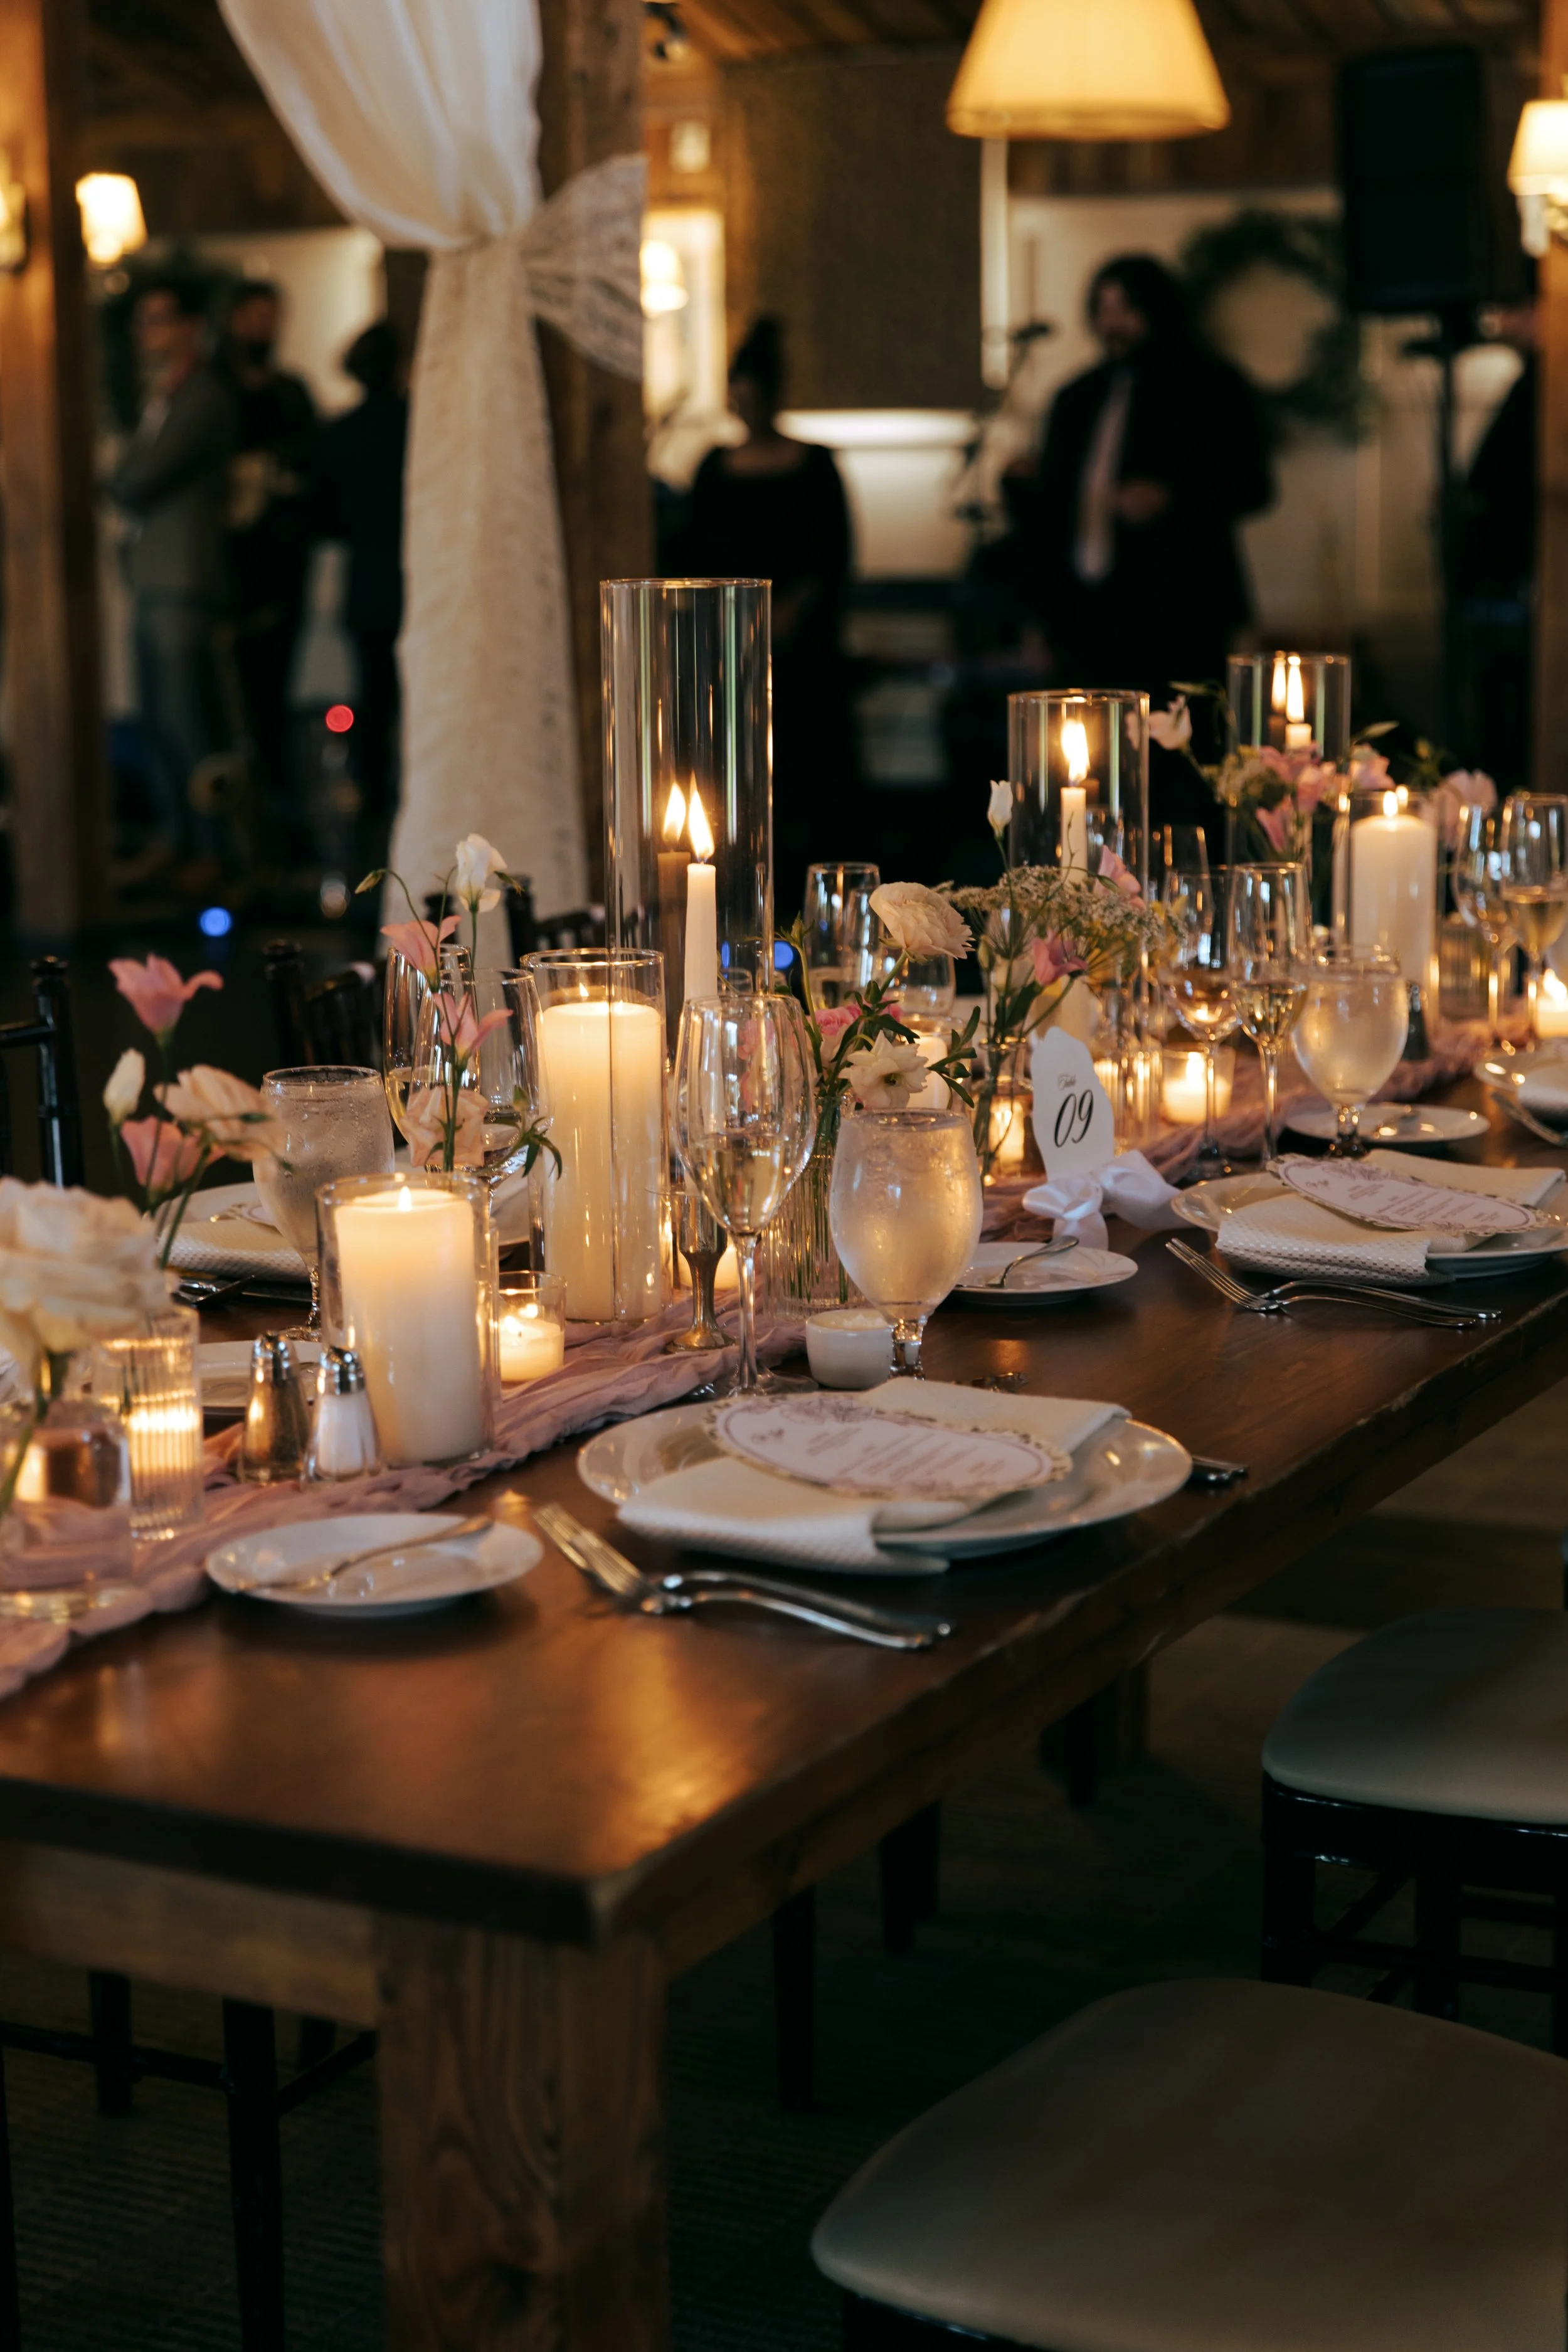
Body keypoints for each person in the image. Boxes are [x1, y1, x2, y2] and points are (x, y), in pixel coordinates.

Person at [1029, 253, 1273, 702]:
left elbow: (1252, 484)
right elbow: (1052, 512)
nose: (1113, 323)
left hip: (1181, 608)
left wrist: (1172, 498)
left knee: (1182, 741)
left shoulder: (1212, 385)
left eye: (1126, 309)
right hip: (1088, 613)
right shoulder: (1076, 398)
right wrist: (1046, 616)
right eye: (1103, 309)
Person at [684, 318, 859, 917]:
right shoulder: (713, 468)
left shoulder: (814, 465)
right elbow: (689, 556)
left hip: (802, 660)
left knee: (812, 786)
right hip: (729, 658)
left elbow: (833, 558)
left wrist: (788, 612)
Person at [109, 275, 238, 877]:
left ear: (190, 327)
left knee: (188, 717)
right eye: (143, 321)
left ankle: (215, 848)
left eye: (160, 319)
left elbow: (138, 480)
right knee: (158, 716)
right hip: (153, 572)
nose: (148, 333)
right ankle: (177, 838)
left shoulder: (203, 396)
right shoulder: (160, 396)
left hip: (184, 576)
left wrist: (116, 475)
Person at [219, 280, 318, 859]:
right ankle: (240, 843)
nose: (262, 327)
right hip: (232, 575)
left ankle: (285, 832)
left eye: (270, 317)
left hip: (283, 569)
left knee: (278, 700)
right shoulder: (220, 393)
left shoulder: (290, 392)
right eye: (252, 316)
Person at [312, 320, 408, 857]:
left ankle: (375, 802)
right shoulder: (416, 428)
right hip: (411, 583)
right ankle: (406, 792)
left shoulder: (340, 434)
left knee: (371, 702)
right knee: (411, 698)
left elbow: (327, 520)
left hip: (367, 585)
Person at [1460, 285, 1537, 789]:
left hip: (1525, 581)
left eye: (1518, 308)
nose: (1504, 322)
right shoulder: (1532, 382)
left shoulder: (1545, 384)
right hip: (1505, 583)